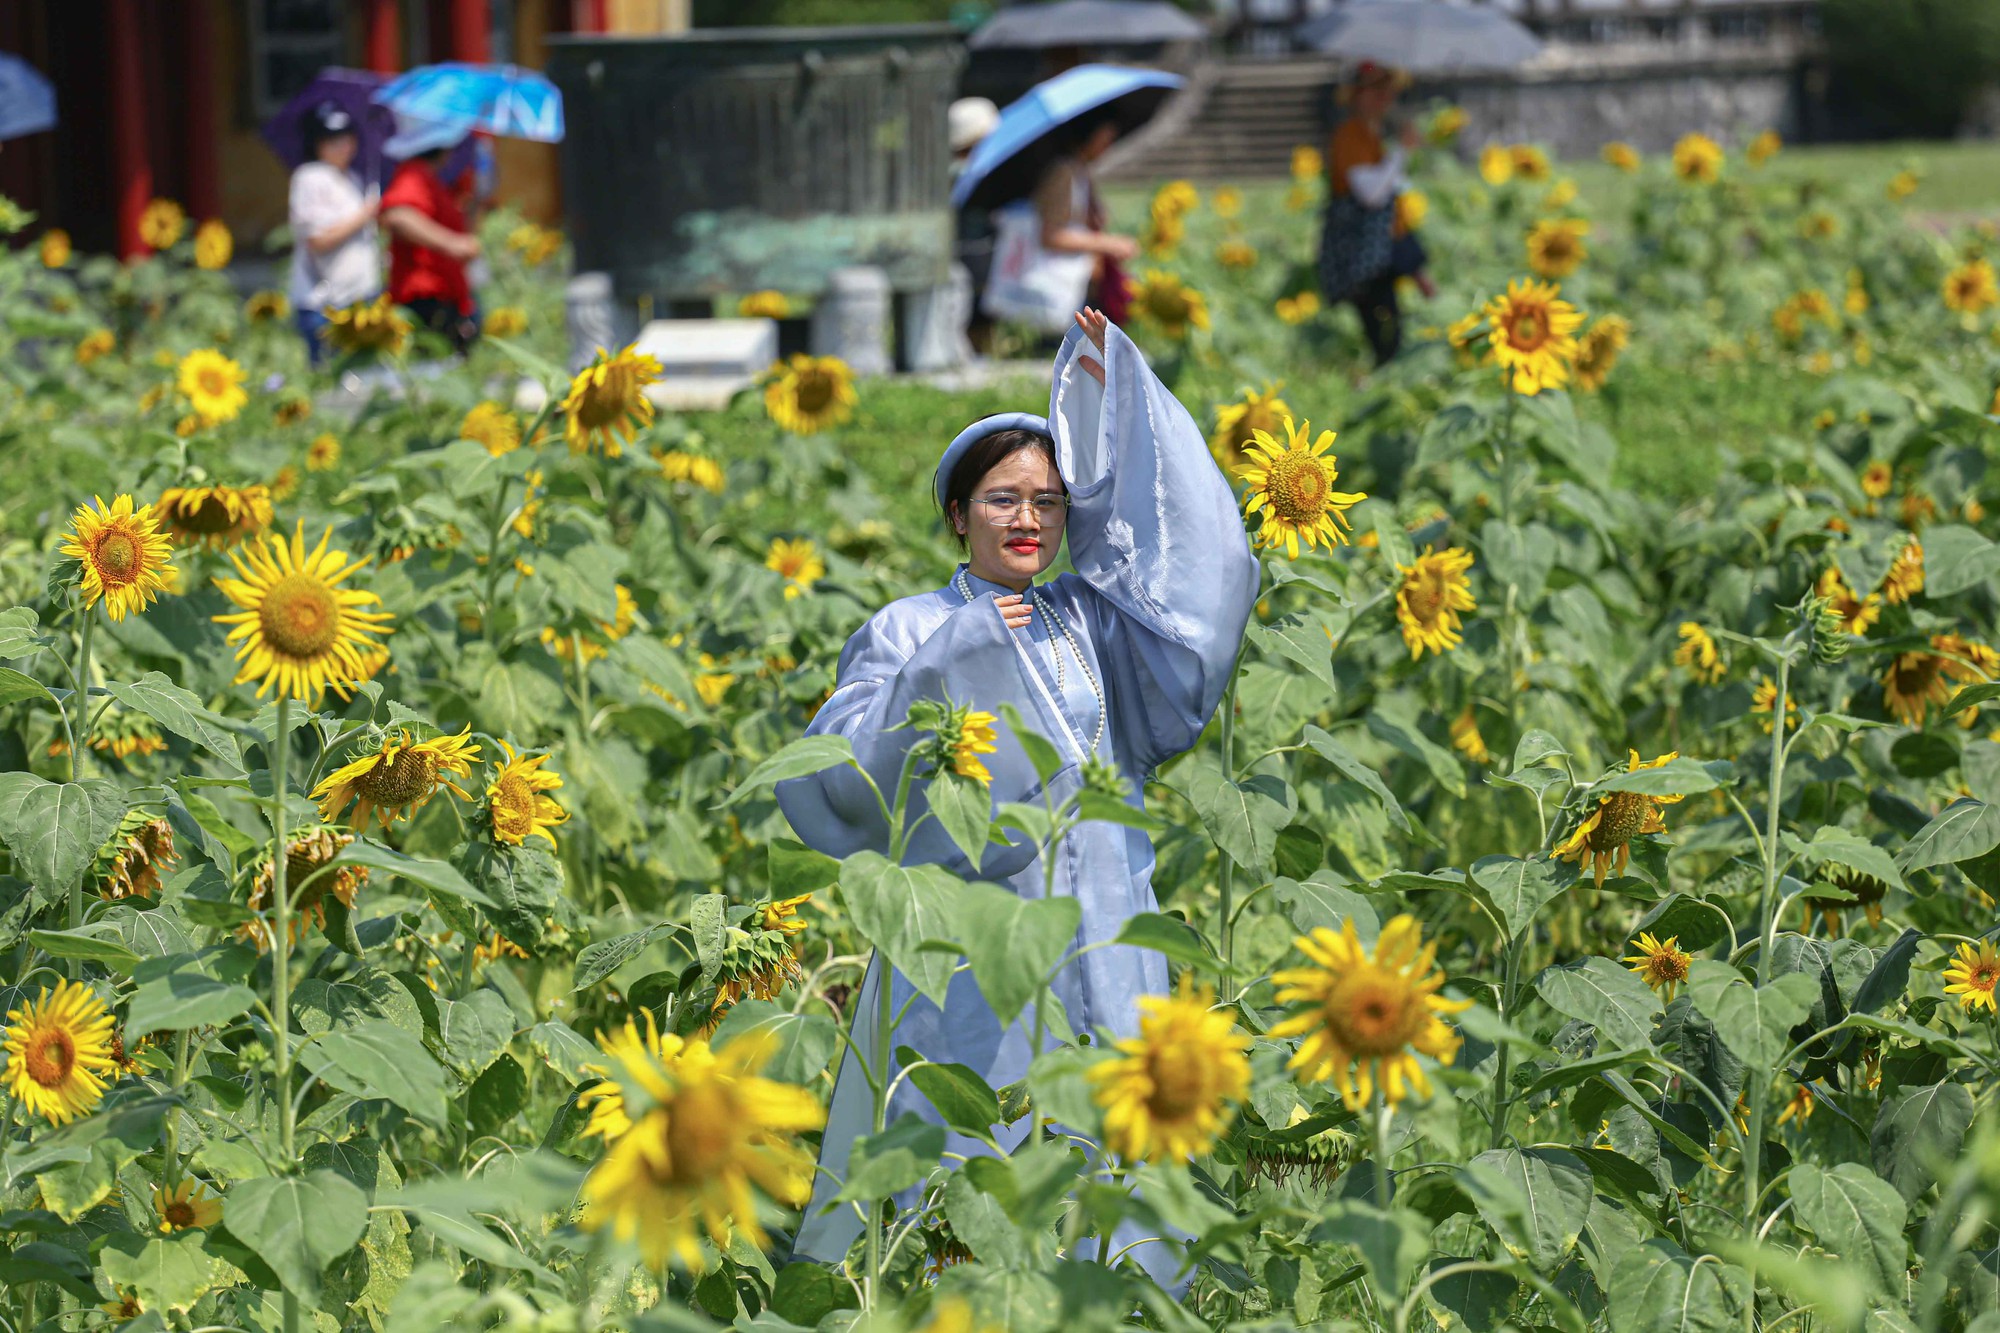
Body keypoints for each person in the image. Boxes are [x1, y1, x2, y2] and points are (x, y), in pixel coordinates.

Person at [776, 309, 1255, 1286]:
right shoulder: (908, 626)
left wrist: (1112, 396)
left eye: (1045, 499)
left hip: (1103, 921)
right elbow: (843, 776)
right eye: (1000, 499)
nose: (1027, 519)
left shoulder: (1094, 623)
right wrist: (956, 656)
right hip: (966, 943)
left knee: (1098, 1126)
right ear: (957, 514)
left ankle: (1110, 1291)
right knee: (969, 1141)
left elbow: (1198, 584)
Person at [1319, 61, 1434, 366]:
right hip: (1361, 253)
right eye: (1376, 91)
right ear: (1356, 95)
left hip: (1382, 248)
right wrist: (1404, 151)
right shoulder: (1349, 135)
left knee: (1392, 324)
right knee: (1383, 331)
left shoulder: (1372, 135)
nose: (1384, 99)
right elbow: (1370, 194)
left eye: (1388, 92)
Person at [288, 104, 381, 366]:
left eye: (346, 138)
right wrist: (364, 215)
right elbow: (318, 241)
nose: (342, 147)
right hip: (325, 302)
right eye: (332, 140)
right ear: (317, 144)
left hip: (358, 296)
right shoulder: (310, 177)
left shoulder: (352, 178)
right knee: (331, 385)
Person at [380, 116, 482, 354]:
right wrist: (452, 243)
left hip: (442, 295)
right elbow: (398, 215)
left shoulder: (428, 177)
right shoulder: (413, 174)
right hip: (425, 299)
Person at [1032, 119, 1138, 325]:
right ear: (1088, 135)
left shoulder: (1080, 171)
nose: (1109, 146)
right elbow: (1050, 235)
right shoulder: (1063, 173)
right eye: (1105, 138)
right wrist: (1108, 243)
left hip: (1080, 282)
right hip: (1059, 287)